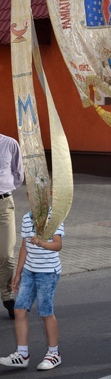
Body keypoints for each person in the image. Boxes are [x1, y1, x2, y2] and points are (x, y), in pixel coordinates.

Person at [0, 208, 64, 370]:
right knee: (19, 310)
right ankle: (22, 355)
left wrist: (41, 242)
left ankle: (54, 354)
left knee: (46, 312)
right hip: (29, 271)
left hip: (48, 272)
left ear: (48, 193)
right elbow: (24, 247)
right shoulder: (27, 218)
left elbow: (58, 245)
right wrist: (18, 274)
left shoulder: (54, 216)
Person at [0, 133, 24, 320]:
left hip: (3, 205)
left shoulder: (9, 144)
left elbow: (18, 175)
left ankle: (7, 297)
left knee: (6, 254)